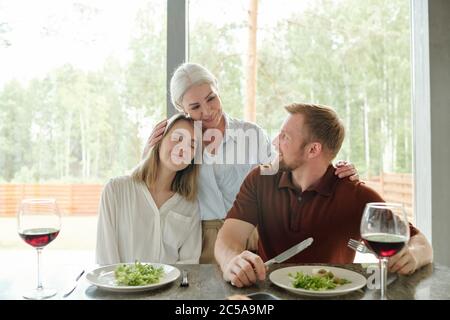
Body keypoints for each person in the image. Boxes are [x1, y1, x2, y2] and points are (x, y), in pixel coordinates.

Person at [144, 63, 359, 263]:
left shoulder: (251, 134)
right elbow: (156, 185)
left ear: (218, 91)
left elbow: (289, 177)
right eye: (195, 106)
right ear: (182, 109)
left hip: (253, 234)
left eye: (211, 99)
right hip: (200, 241)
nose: (207, 111)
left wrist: (332, 173)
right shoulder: (179, 144)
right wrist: (148, 154)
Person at [214, 103, 433, 287]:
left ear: (313, 150)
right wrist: (231, 261)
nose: (274, 143)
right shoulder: (260, 179)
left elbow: (421, 243)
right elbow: (228, 238)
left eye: (285, 137)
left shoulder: (354, 194)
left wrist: (413, 255)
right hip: (268, 295)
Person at [96, 113, 201, 265]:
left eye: (192, 145)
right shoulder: (115, 190)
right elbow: (106, 261)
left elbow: (189, 266)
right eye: (178, 138)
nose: (182, 148)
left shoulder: (190, 205)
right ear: (159, 140)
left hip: (172, 289)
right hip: (119, 288)